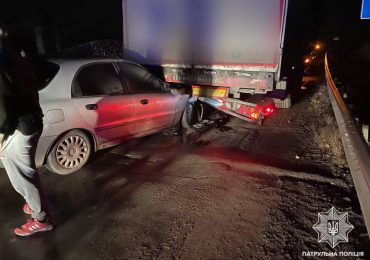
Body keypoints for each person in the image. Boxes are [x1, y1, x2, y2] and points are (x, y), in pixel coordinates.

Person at [0, 25, 53, 236]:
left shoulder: (6, 62)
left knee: (23, 176)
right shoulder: (18, 58)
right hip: (30, 121)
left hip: (19, 128)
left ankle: (41, 219)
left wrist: (1, 137)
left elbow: (3, 111)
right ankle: (34, 206)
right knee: (25, 172)